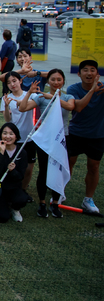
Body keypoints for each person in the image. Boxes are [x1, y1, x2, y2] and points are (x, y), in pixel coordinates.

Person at [18, 69, 75, 217]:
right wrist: (30, 93)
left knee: (58, 169)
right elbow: (22, 108)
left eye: (59, 80)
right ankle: (42, 203)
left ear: (63, 81)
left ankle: (56, 203)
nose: (56, 82)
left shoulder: (68, 96)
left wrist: (54, 97)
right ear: (48, 81)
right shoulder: (41, 97)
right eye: (53, 79)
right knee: (44, 170)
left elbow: (70, 107)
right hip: (45, 140)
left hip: (62, 138)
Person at [67, 60, 104, 214]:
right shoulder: (73, 88)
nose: (89, 73)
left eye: (92, 70)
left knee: (94, 166)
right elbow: (79, 107)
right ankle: (59, 193)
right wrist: (92, 91)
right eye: (85, 70)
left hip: (97, 135)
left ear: (97, 73)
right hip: (76, 133)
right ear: (79, 73)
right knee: (68, 163)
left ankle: (88, 199)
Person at [0, 123, 28, 223]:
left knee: (22, 199)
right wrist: (1, 152)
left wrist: (12, 171)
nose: (7, 136)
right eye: (4, 133)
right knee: (2, 217)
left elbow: (20, 176)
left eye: (11, 134)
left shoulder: (22, 152)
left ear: (16, 136)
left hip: (14, 187)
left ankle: (15, 209)